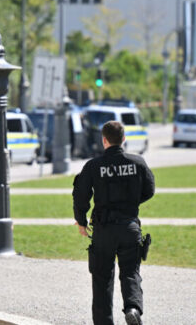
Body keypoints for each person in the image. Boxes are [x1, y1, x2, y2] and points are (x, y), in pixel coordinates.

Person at [73, 120, 155, 325]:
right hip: (129, 226)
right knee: (130, 272)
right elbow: (149, 190)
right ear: (124, 139)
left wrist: (81, 221)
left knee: (102, 280)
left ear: (104, 140)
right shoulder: (138, 163)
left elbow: (80, 195)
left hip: (104, 230)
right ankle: (133, 308)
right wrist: (130, 203)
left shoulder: (94, 166)